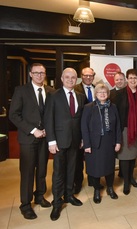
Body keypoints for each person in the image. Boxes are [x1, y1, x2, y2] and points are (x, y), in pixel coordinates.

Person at [9, 63, 55, 220]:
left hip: (45, 138)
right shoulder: (21, 91)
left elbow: (51, 114)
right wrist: (32, 130)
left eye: (42, 73)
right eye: (36, 73)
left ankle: (40, 196)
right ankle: (26, 205)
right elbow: (14, 115)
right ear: (30, 74)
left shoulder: (50, 91)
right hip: (28, 138)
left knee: (42, 170)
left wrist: (49, 129)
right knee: (28, 172)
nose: (39, 75)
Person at [44, 68, 86, 221]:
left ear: (77, 80)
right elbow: (48, 119)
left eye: (73, 77)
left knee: (72, 170)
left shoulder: (81, 97)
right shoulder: (53, 96)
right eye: (67, 77)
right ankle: (57, 202)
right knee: (59, 173)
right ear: (62, 78)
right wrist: (51, 141)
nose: (70, 80)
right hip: (59, 141)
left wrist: (82, 138)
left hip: (75, 140)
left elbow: (81, 121)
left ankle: (69, 195)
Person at [81, 83, 122, 203]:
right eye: (100, 92)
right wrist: (87, 145)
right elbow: (84, 127)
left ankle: (110, 188)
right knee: (95, 169)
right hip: (94, 143)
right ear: (96, 94)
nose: (102, 94)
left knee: (109, 167)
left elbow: (118, 125)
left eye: (104, 92)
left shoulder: (113, 107)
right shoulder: (89, 107)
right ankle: (97, 190)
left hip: (109, 142)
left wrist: (118, 141)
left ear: (108, 94)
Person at [114, 69, 137, 195]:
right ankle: (126, 182)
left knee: (133, 157)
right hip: (125, 129)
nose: (133, 80)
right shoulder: (119, 94)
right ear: (127, 79)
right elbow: (115, 114)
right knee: (125, 158)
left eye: (135, 78)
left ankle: (131, 178)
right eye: (130, 78)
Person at [73, 67, 96, 192]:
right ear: (81, 76)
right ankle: (78, 183)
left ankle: (93, 180)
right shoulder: (75, 89)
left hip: (95, 130)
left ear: (93, 76)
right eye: (86, 75)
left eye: (90, 75)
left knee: (93, 156)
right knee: (78, 158)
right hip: (79, 129)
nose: (88, 77)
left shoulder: (96, 89)